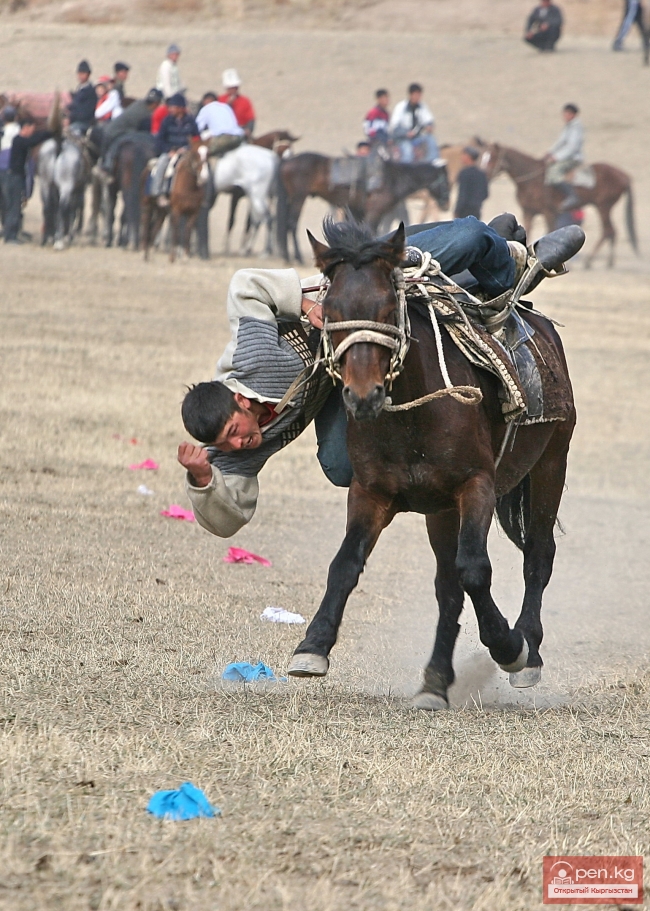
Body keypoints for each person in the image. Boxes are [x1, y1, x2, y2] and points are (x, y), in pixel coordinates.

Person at [175, 216, 584, 538]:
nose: (238, 443)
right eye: (225, 444)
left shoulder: (253, 358)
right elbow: (227, 522)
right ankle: (481, 264)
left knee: (471, 239)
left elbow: (244, 285)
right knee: (340, 466)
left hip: (356, 280)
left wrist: (302, 304)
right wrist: (203, 478)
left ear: (241, 401)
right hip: (344, 377)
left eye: (233, 430)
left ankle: (513, 260)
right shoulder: (236, 448)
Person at [4, 116, 53, 244]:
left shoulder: (19, 140)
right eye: (32, 129)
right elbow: (32, 141)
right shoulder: (19, 140)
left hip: (16, 177)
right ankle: (10, 236)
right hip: (14, 178)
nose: (32, 131)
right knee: (13, 207)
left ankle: (15, 232)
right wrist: (50, 132)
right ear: (25, 128)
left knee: (16, 207)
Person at [97, 88, 162, 177]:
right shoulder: (145, 113)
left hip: (112, 130)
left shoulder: (140, 104)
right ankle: (108, 166)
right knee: (118, 146)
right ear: (156, 103)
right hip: (117, 132)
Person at [150, 93, 199, 204]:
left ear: (181, 108)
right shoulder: (167, 121)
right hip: (171, 151)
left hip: (186, 152)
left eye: (174, 107)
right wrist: (169, 150)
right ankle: (158, 193)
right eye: (171, 107)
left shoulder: (191, 121)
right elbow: (160, 139)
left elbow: (196, 138)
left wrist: (188, 148)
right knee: (162, 164)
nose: (171, 109)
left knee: (201, 168)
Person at [544, 103, 584, 211]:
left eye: (566, 114)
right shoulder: (569, 126)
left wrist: (556, 157)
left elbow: (572, 147)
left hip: (573, 158)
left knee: (554, 172)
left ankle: (572, 196)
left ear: (572, 114)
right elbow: (560, 142)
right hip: (565, 156)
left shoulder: (576, 128)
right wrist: (549, 152)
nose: (564, 116)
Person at [389, 83, 439, 163]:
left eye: (419, 95)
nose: (418, 97)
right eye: (416, 95)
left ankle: (432, 163)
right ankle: (407, 170)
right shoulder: (400, 107)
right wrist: (406, 133)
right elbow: (394, 127)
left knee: (431, 139)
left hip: (417, 137)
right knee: (407, 150)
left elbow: (429, 120)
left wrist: (429, 126)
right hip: (403, 139)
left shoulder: (423, 107)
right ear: (411, 95)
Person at [195, 91, 244, 156]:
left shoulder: (206, 109)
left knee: (203, 152)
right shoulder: (226, 106)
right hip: (238, 136)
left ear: (206, 100)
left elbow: (196, 128)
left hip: (223, 138)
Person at [454, 146, 489, 220]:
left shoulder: (464, 173)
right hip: (477, 210)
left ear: (468, 157)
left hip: (464, 211)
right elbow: (485, 194)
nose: (461, 157)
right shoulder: (482, 174)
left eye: (463, 155)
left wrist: (457, 210)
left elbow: (462, 194)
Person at [218, 69, 255, 138]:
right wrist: (228, 105)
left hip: (242, 131)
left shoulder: (245, 101)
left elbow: (251, 119)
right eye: (230, 88)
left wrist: (249, 130)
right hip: (224, 133)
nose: (233, 90)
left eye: (235, 87)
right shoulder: (220, 100)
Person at [0, 106, 21, 230]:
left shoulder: (2, 131)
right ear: (15, 117)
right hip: (12, 169)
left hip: (1, 169)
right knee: (13, 202)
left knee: (3, 201)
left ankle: (4, 227)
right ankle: (11, 231)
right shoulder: (18, 131)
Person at [67, 59, 96, 133]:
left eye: (83, 73)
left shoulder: (90, 91)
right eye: (79, 73)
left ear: (88, 75)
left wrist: (70, 116)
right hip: (75, 120)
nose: (80, 76)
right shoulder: (80, 88)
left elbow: (85, 112)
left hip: (84, 123)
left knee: (71, 132)